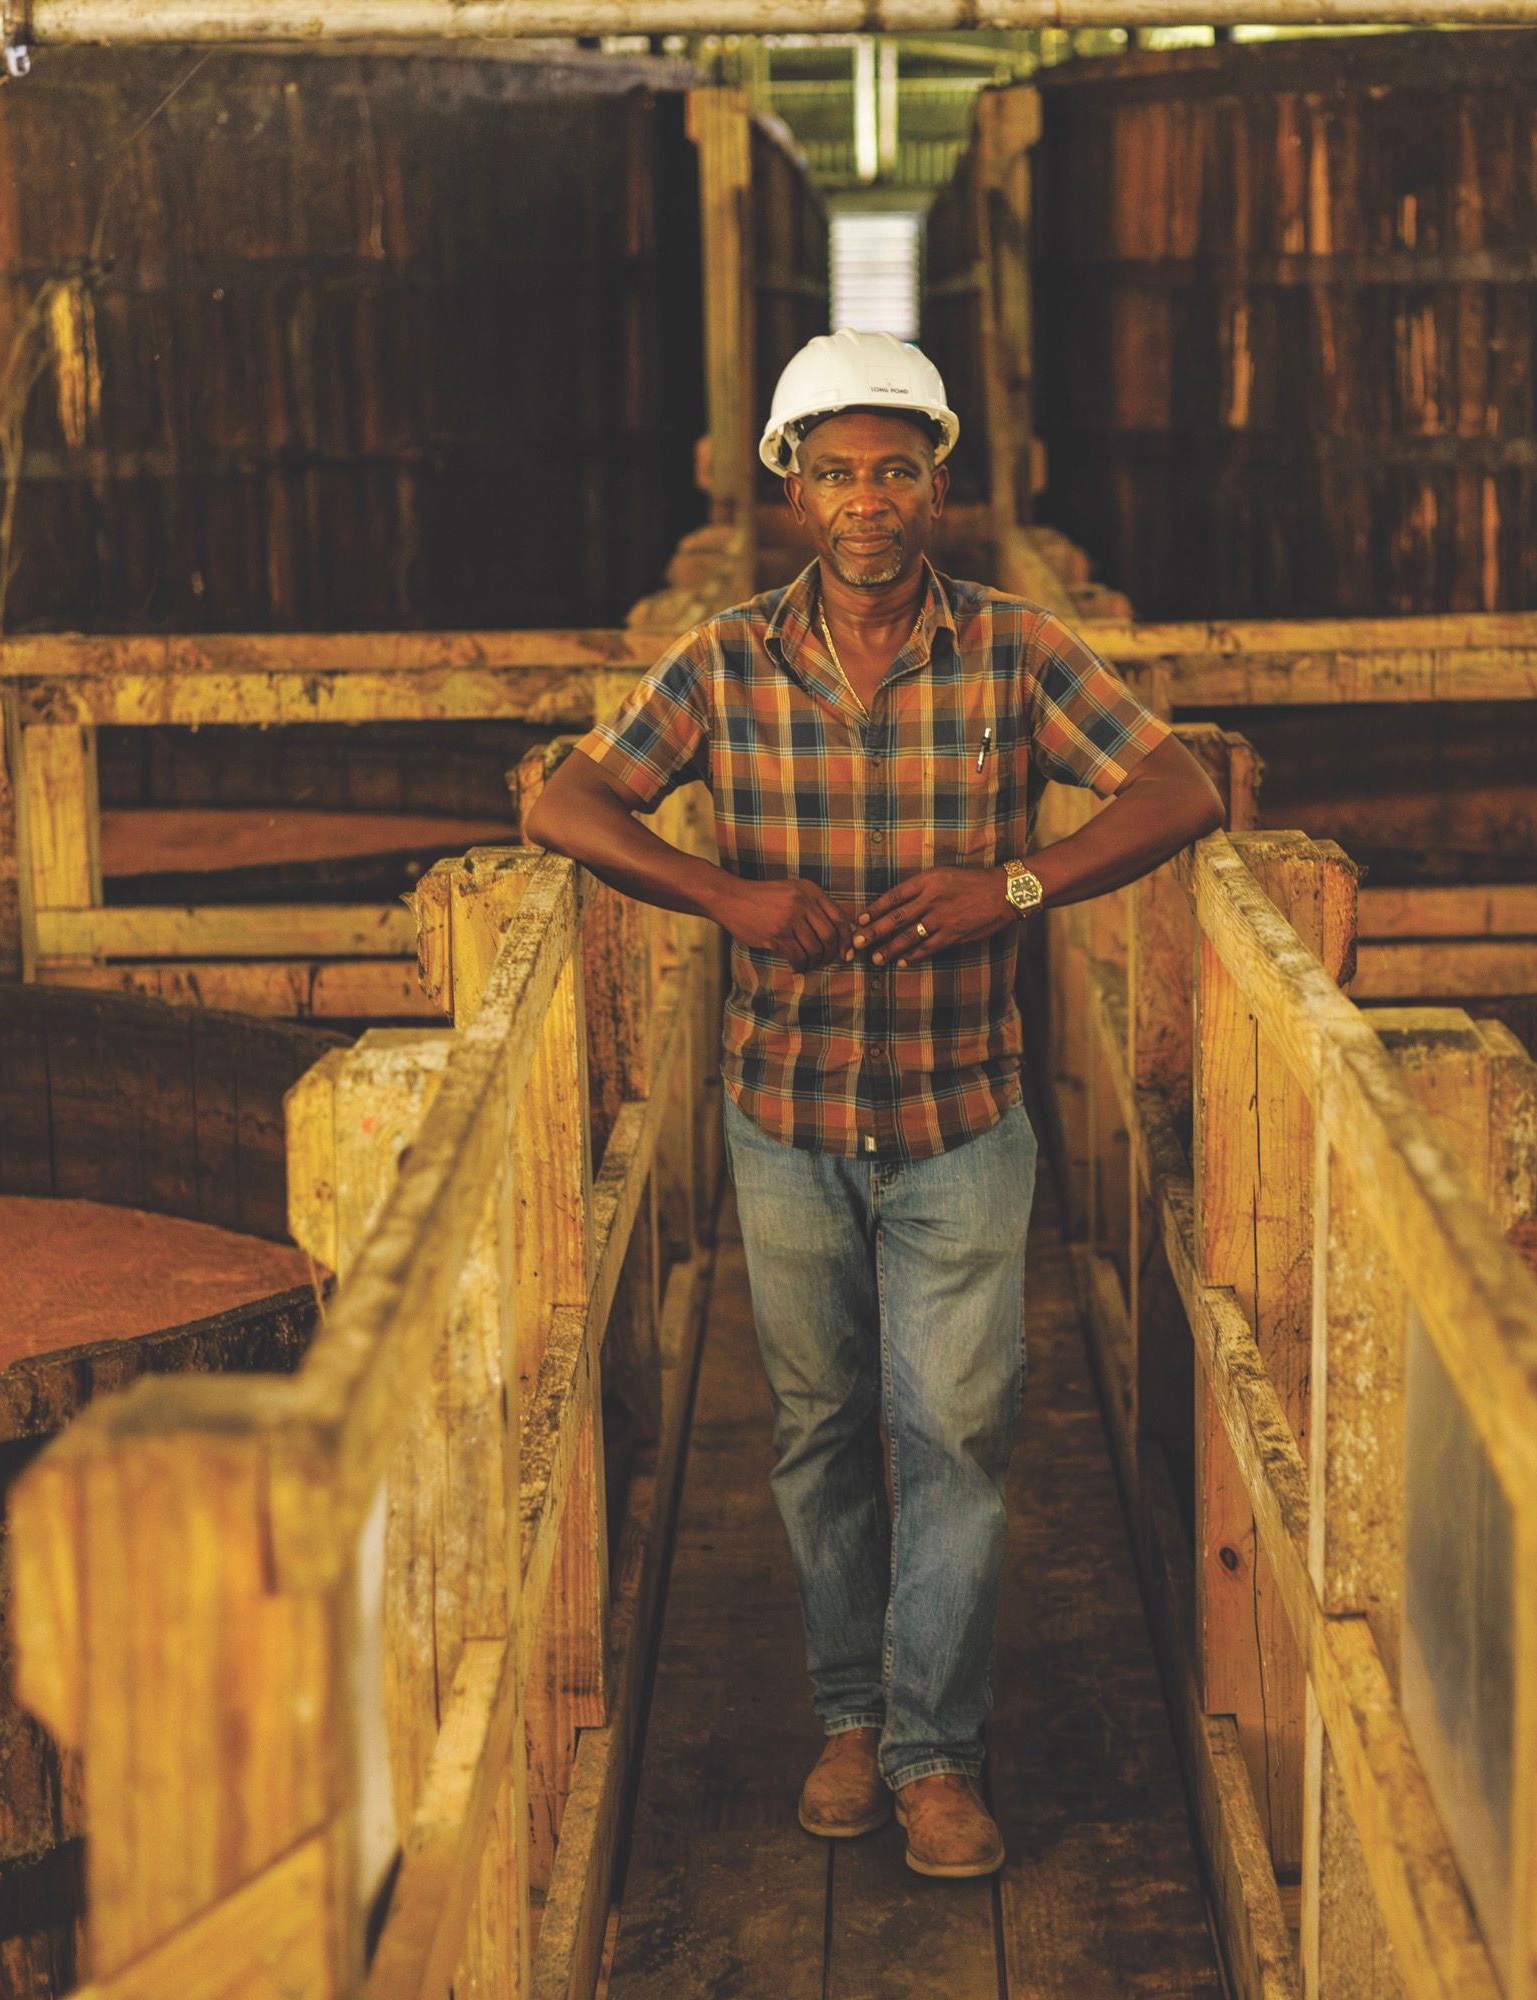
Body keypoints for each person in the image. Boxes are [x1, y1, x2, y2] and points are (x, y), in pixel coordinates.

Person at [525, 330, 1223, 1879]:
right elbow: (563, 800)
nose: (865, 500)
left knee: (959, 1434)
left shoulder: (1017, 651)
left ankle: (932, 1752)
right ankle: (847, 1712)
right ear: (790, 491)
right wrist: (725, 894)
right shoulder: (720, 662)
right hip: (781, 1116)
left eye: (894, 470)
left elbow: (1182, 789)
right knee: (820, 1430)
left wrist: (1018, 884)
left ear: (939, 485)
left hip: (960, 1114)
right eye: (833, 471)